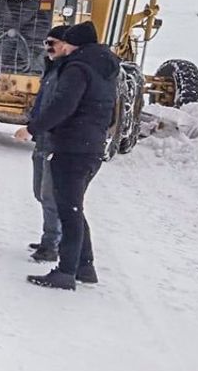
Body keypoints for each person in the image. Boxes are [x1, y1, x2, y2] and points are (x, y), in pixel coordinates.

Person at [16, 21, 119, 290]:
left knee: (68, 210)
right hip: (91, 146)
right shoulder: (106, 68)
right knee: (74, 207)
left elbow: (62, 105)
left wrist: (32, 128)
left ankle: (66, 272)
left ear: (76, 44)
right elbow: (112, 113)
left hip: (72, 147)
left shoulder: (77, 67)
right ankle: (85, 267)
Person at [14, 25, 70, 262]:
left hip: (54, 142)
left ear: (65, 46)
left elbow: (58, 108)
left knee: (50, 195)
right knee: (40, 192)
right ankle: (52, 237)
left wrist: (35, 127)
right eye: (46, 43)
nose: (48, 48)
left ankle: (51, 244)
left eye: (53, 43)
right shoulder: (52, 68)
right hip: (42, 139)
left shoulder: (68, 73)